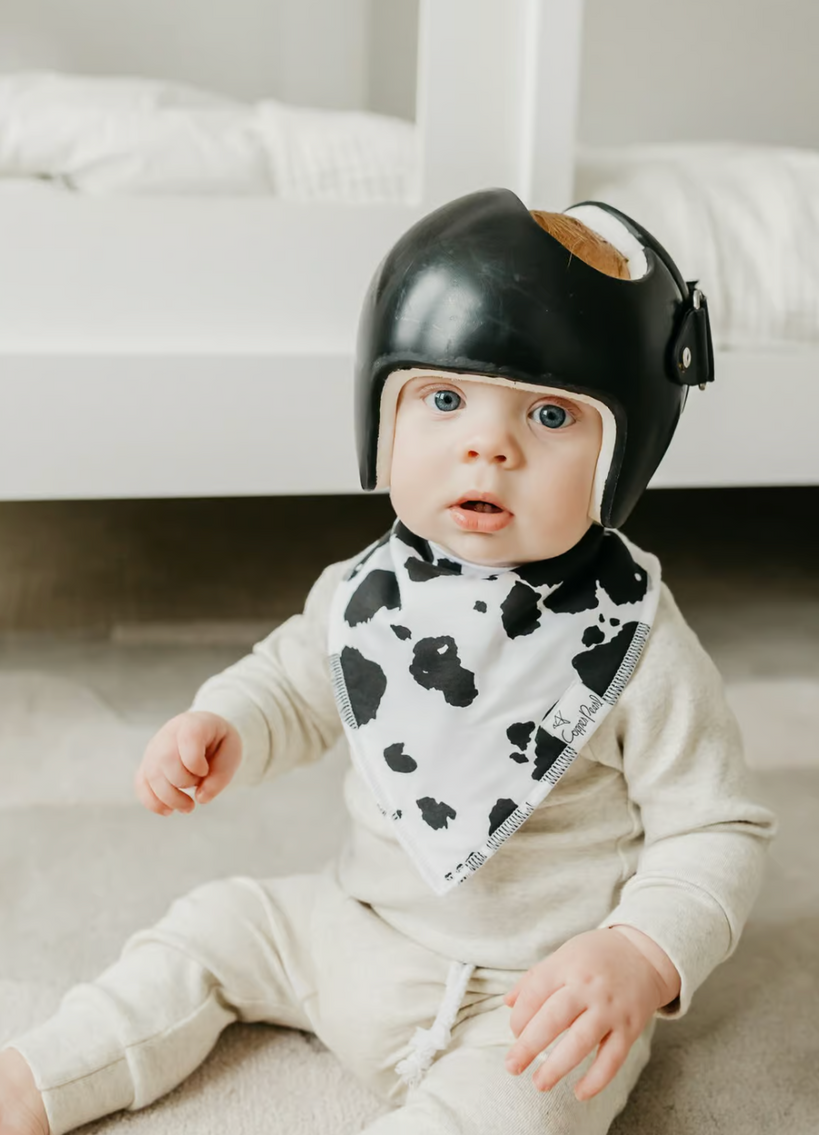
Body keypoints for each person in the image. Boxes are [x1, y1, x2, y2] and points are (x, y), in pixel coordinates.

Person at [0, 189, 777, 1135]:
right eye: (443, 399)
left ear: (626, 452)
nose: (487, 444)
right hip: (350, 930)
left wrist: (639, 953)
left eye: (549, 416)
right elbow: (294, 680)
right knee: (212, 925)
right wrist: (224, 724)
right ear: (382, 413)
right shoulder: (366, 592)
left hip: (536, 1001)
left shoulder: (638, 645)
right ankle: (38, 1079)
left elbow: (718, 829)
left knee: (523, 1110)